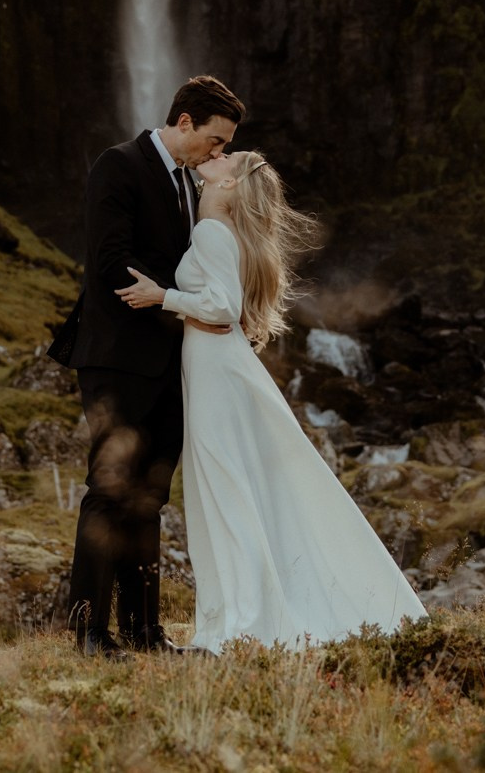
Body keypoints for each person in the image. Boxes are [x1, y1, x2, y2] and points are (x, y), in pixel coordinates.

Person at [117, 150, 427, 650]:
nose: (215, 154)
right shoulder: (220, 229)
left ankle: (243, 621)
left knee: (226, 488)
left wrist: (162, 296)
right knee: (237, 486)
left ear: (234, 185)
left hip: (218, 369)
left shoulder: (213, 231)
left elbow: (222, 308)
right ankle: (246, 612)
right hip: (220, 366)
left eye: (228, 156)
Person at [64, 75, 244, 656]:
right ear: (185, 121)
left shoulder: (190, 187)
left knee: (150, 497)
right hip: (117, 358)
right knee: (110, 490)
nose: (217, 155)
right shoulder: (118, 166)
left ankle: (145, 632)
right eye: (215, 142)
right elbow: (110, 262)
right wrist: (179, 303)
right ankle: (90, 632)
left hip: (171, 361)